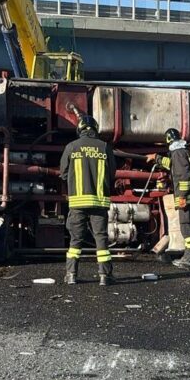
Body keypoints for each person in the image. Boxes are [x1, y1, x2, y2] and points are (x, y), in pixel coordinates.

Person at [60, 115, 115, 286]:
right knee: (101, 239)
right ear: (95, 129)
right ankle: (104, 276)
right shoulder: (105, 147)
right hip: (99, 203)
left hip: (77, 203)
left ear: (80, 128)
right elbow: (111, 173)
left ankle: (71, 275)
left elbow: (63, 173)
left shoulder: (71, 147)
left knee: (75, 240)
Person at [150, 128, 190, 268]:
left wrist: (182, 196)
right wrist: (157, 158)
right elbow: (174, 165)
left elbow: (183, 176)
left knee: (186, 226)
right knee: (189, 225)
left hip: (187, 196)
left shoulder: (177, 153)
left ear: (168, 139)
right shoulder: (185, 151)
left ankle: (189, 257)